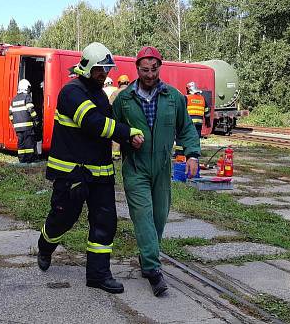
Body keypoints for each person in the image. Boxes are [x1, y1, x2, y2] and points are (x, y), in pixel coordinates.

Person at [37, 42, 144, 294]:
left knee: (105, 223)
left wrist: (128, 137)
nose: (104, 74)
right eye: (99, 69)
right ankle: (45, 245)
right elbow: (92, 123)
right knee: (63, 219)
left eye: (106, 69)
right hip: (72, 174)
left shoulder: (99, 93)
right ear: (86, 68)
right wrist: (127, 133)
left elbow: (106, 123)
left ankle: (98, 275)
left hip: (101, 173)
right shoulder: (71, 92)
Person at [111, 46, 200, 296]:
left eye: (154, 69)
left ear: (160, 67)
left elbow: (186, 129)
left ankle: (146, 255)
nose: (149, 74)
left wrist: (192, 154)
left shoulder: (173, 97)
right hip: (135, 167)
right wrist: (127, 138)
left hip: (162, 166)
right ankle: (152, 269)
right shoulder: (124, 99)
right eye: (144, 69)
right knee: (143, 216)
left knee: (159, 216)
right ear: (136, 69)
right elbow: (113, 126)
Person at [8, 79, 39, 163]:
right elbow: (31, 110)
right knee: (29, 143)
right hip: (27, 126)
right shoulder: (27, 97)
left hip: (17, 127)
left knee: (21, 144)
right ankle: (29, 160)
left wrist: (14, 123)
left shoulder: (14, 99)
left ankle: (22, 160)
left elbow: (10, 113)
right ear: (26, 88)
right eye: (28, 88)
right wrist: (36, 120)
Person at [108, 74, 130, 159]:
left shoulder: (116, 92)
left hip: (117, 117)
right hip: (129, 118)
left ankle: (116, 154)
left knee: (116, 133)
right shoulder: (132, 91)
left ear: (119, 83)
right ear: (128, 82)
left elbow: (110, 104)